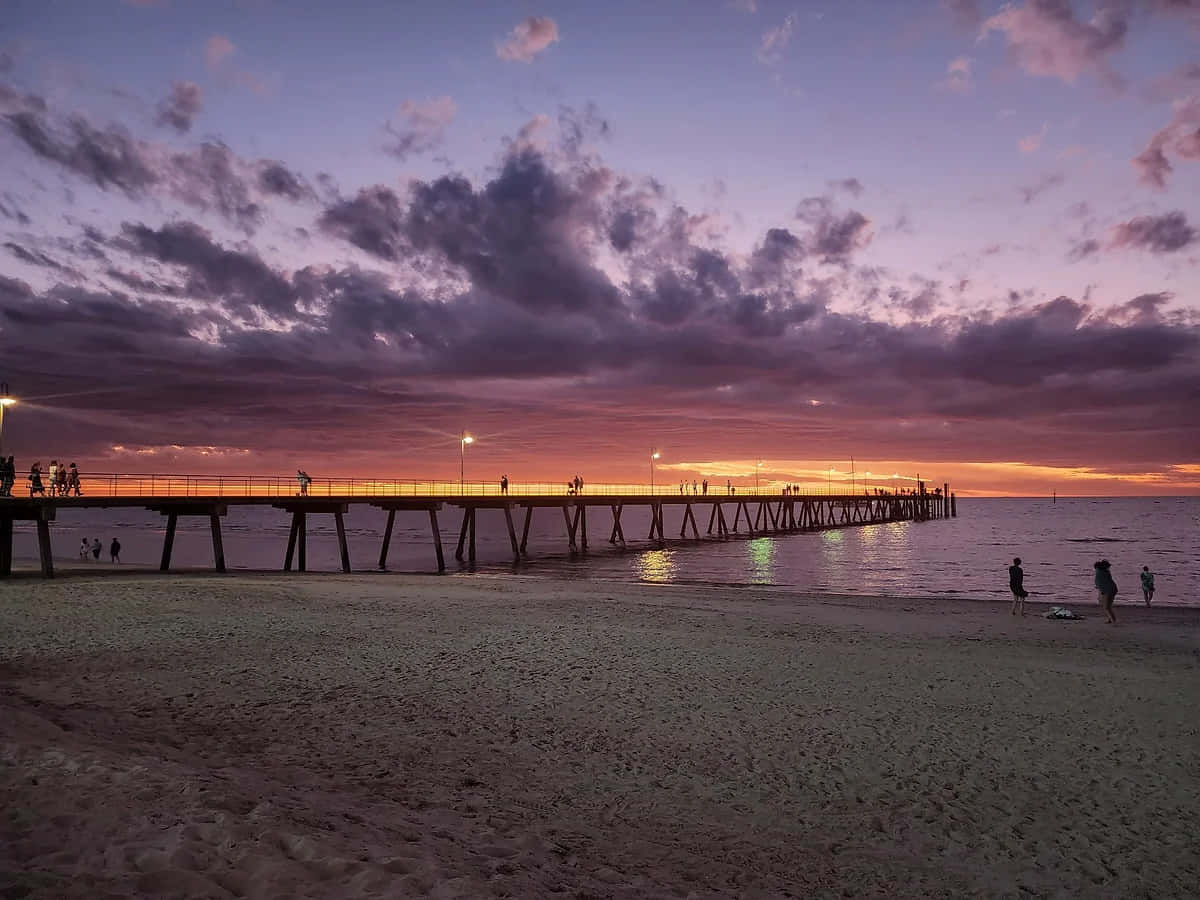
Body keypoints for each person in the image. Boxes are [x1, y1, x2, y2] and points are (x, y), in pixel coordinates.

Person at [1094, 559, 1118, 624]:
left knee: (1106, 607)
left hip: (1107, 590)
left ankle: (1113, 620)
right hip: (1113, 589)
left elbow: (1099, 583)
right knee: (1108, 606)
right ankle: (1110, 619)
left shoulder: (1099, 573)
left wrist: (1100, 590)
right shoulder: (1107, 572)